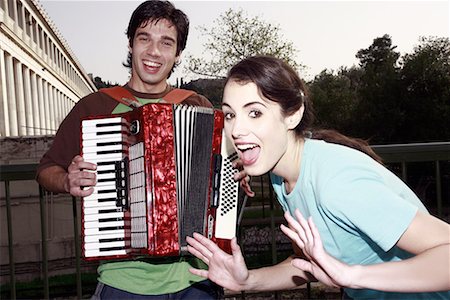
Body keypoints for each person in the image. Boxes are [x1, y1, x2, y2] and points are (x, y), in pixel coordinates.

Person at [186, 55, 450, 299]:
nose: (236, 129)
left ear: (293, 114)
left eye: (255, 112)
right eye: (230, 114)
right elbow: (309, 265)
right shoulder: (283, 177)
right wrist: (247, 281)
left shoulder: (336, 182)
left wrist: (352, 276)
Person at [37, 1, 223, 298]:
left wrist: (230, 177)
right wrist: (66, 180)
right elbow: (47, 169)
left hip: (196, 278)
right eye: (144, 38)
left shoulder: (195, 105)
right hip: (124, 280)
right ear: (130, 44)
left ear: (177, 54)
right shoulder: (95, 106)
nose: (153, 52)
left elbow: (220, 173)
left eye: (166, 43)